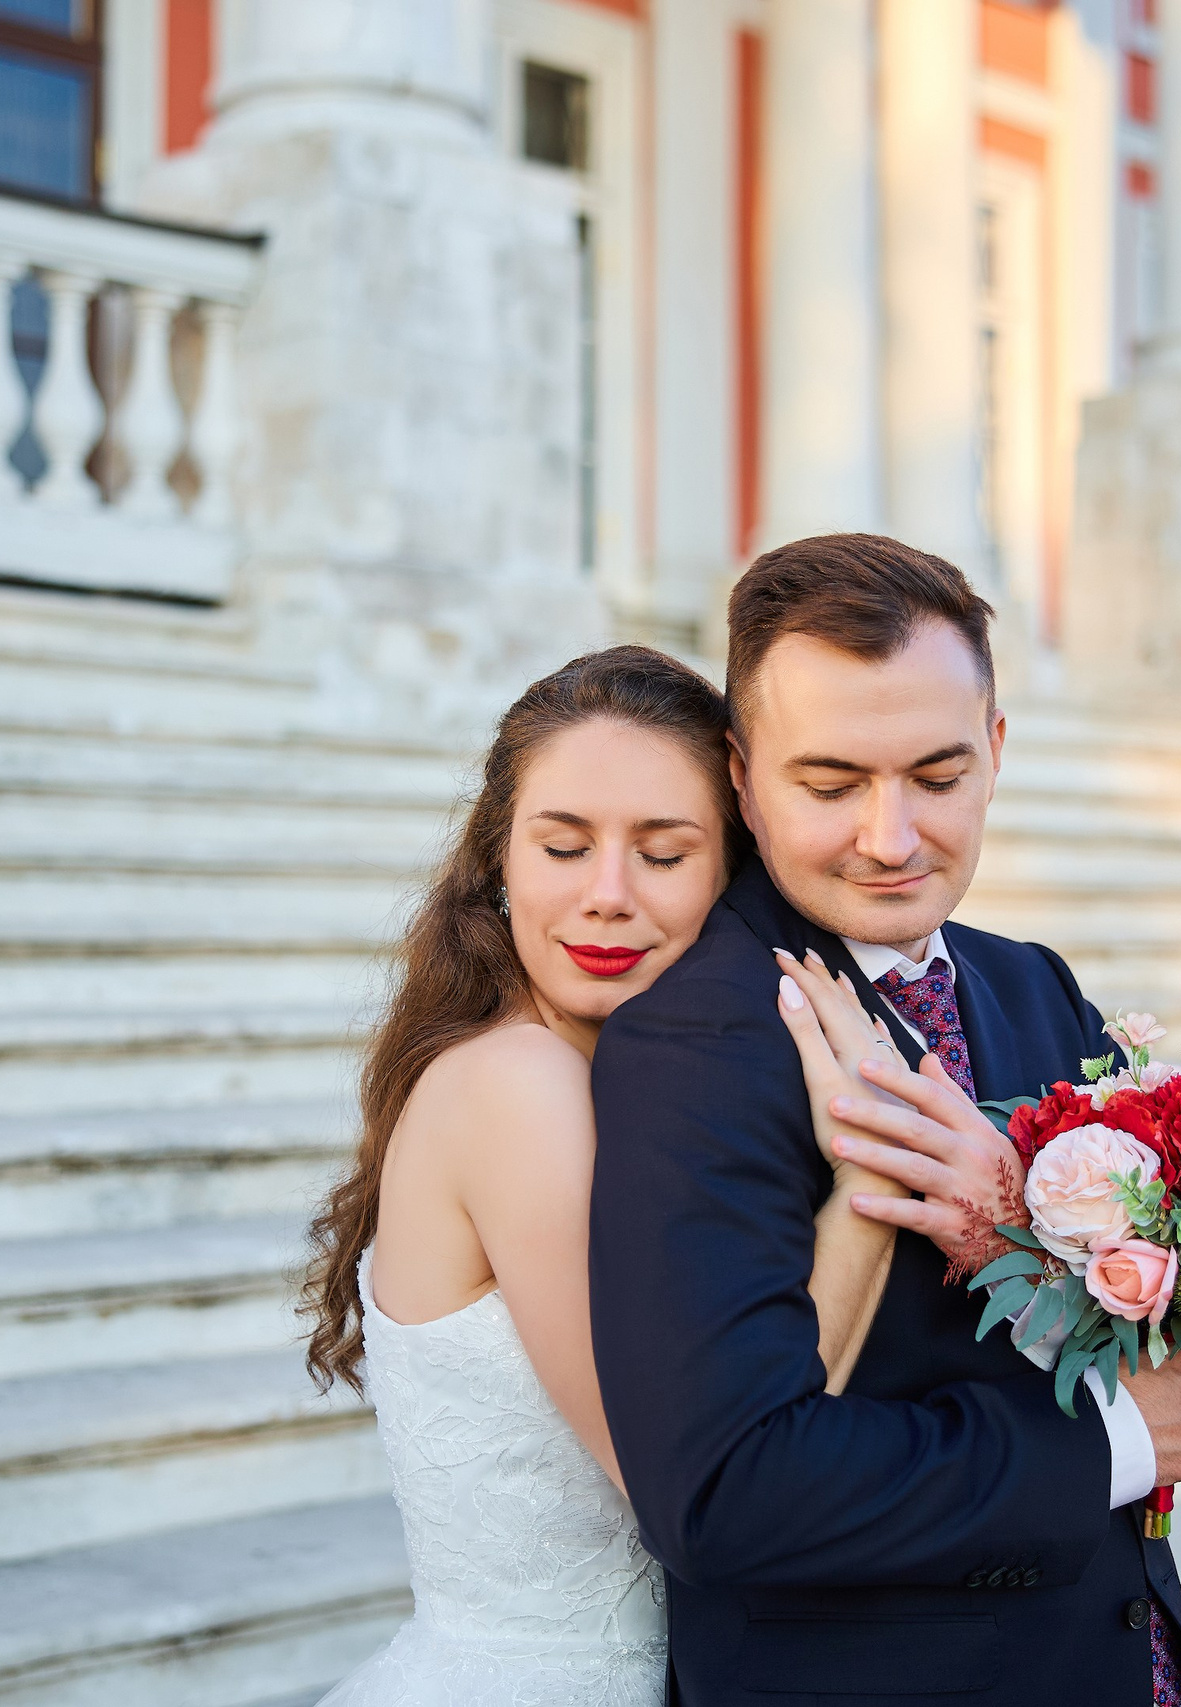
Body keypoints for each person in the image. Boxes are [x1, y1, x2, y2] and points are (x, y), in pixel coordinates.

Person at [589, 534, 1181, 1707]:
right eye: (829, 786)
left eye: (935, 779)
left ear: (993, 752)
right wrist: (1114, 1445)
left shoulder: (1032, 984)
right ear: (740, 777)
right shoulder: (698, 1046)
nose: (889, 840)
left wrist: (1023, 1229)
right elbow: (726, 1494)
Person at [299, 645, 943, 1705]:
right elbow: (718, 1471)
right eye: (562, 847)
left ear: (728, 871)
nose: (606, 897)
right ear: (496, 863)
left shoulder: (620, 1085)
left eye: (663, 852)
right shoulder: (517, 1086)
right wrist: (873, 1175)